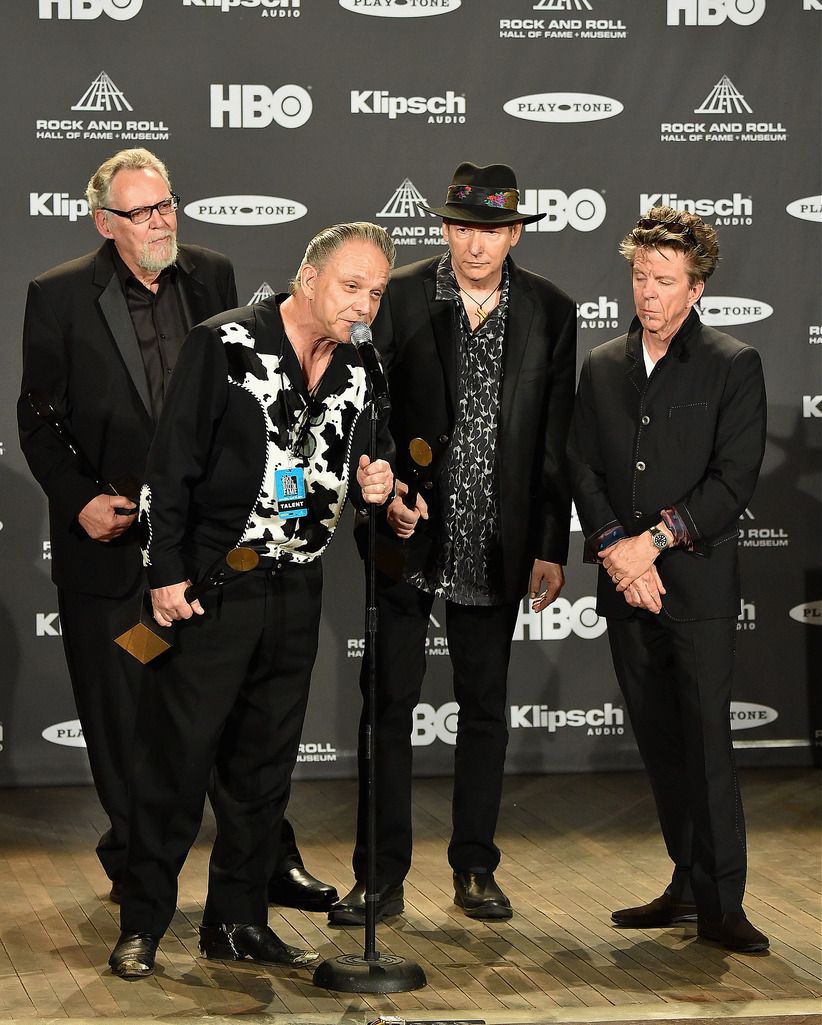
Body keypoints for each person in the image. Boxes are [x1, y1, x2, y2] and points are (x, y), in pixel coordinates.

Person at [17, 147, 335, 914]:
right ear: (105, 222)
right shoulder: (59, 295)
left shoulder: (212, 274)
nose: (161, 222)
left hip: (204, 550)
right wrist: (80, 497)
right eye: (142, 212)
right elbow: (37, 417)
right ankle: (137, 867)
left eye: (167, 206)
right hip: (115, 551)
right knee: (125, 715)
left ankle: (265, 861)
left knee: (236, 714)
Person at [108, 222, 396, 979]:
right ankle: (142, 922)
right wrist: (164, 574)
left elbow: (373, 453)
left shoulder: (363, 364)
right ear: (308, 280)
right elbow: (168, 469)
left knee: (262, 771)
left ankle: (236, 923)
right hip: (213, 584)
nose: (364, 303)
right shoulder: (226, 343)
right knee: (175, 764)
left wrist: (382, 482)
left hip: (297, 585)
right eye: (351, 286)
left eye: (376, 290)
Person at [329, 162, 577, 925]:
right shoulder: (397, 296)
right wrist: (387, 496)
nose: (476, 244)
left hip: (497, 540)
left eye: (493, 230)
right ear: (443, 228)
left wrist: (549, 542)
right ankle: (380, 876)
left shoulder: (552, 309)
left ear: (515, 234)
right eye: (463, 228)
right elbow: (365, 407)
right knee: (389, 706)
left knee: (485, 707)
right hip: (408, 533)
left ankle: (474, 866)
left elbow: (553, 439)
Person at [567, 206, 769, 954]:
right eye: (640, 277)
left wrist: (651, 544)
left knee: (707, 743)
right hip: (627, 585)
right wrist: (618, 549)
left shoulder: (731, 363)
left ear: (696, 288)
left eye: (664, 280)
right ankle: (686, 883)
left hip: (696, 587)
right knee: (659, 739)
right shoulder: (600, 364)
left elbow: (732, 482)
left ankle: (724, 902)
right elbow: (582, 464)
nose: (647, 293)